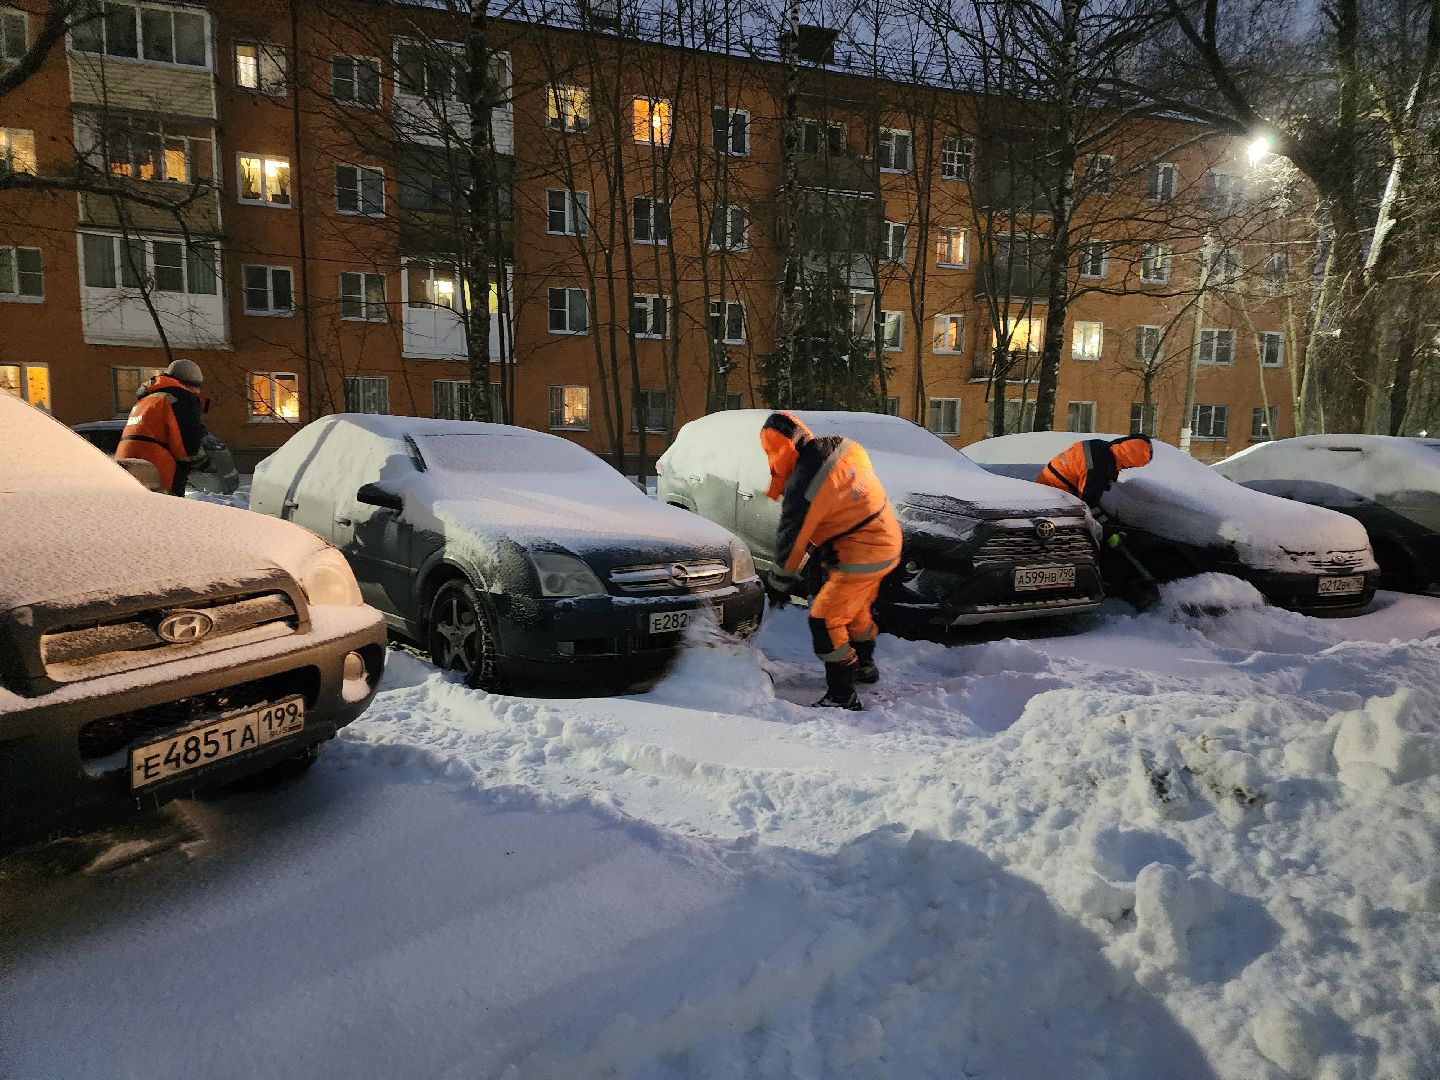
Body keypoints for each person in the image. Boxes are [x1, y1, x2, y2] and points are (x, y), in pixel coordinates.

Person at [760, 411, 903, 710]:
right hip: (887, 540)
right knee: (854, 609)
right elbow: (842, 502)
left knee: (825, 619)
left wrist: (778, 584)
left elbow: (792, 540)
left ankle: (842, 694)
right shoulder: (844, 447)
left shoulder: (805, 483)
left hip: (862, 554)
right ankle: (864, 666)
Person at [1036, 433, 1158, 605]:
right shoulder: (1101, 466)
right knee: (1089, 538)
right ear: (1130, 461)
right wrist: (1106, 529)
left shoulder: (1102, 448)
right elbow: (1088, 503)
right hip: (1056, 498)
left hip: (1051, 488)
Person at [115, 358, 210, 496]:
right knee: (167, 508)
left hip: (126, 467)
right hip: (158, 473)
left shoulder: (146, 400)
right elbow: (186, 443)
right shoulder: (181, 397)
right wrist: (203, 462)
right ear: (191, 384)